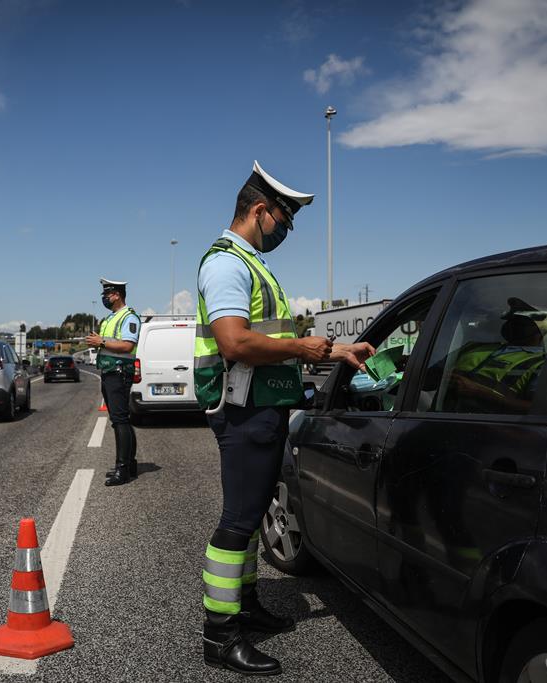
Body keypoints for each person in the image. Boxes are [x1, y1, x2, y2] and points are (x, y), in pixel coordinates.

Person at [194, 161, 375, 676]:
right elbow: (235, 341)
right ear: (259, 210)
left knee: (250, 522)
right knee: (237, 523)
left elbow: (271, 340)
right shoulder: (227, 264)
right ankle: (220, 633)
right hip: (244, 410)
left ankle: (245, 606)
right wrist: (302, 345)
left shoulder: (250, 264)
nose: (285, 232)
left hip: (263, 409)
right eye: (284, 221)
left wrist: (335, 352)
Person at [86, 278, 141, 486]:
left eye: (107, 295)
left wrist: (101, 341)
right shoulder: (111, 318)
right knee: (121, 419)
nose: (104, 298)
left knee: (119, 420)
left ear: (117, 294)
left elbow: (127, 345)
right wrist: (100, 341)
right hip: (109, 372)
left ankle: (123, 470)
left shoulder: (129, 317)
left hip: (119, 373)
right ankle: (130, 463)